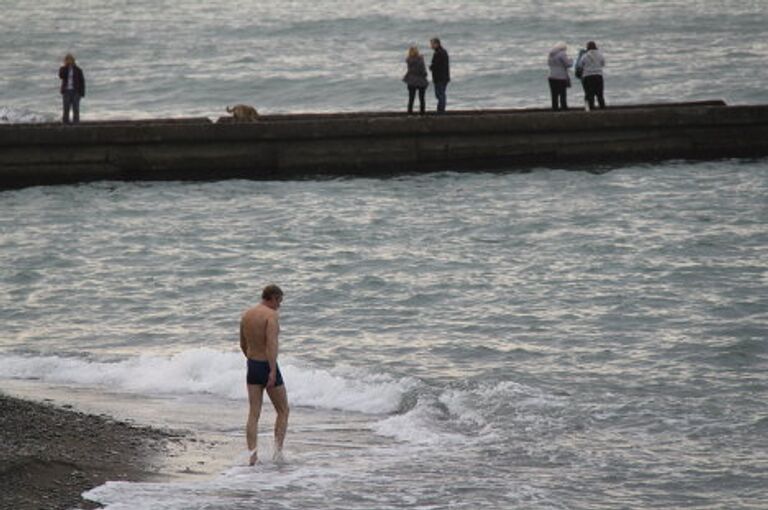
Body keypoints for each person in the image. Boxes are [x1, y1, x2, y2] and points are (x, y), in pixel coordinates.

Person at [240, 284, 289, 465]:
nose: (279, 306)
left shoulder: (247, 315)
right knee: (283, 410)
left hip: (252, 365)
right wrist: (272, 371)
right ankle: (278, 453)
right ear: (273, 298)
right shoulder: (271, 316)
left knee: (254, 413)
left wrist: (253, 361)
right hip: (267, 366)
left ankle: (252, 456)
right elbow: (272, 345)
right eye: (279, 301)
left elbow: (242, 344)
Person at [58, 53, 86, 124]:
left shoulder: (78, 70)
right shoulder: (63, 69)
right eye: (67, 60)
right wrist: (66, 66)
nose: (69, 61)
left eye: (70, 60)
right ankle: (65, 123)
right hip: (66, 91)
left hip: (76, 91)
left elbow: (82, 81)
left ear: (73, 60)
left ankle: (76, 124)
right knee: (66, 108)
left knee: (75, 108)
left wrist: (81, 93)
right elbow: (61, 76)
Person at [580, 41, 606, 110]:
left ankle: (589, 109)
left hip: (587, 76)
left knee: (589, 94)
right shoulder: (600, 54)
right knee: (600, 94)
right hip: (598, 75)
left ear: (587, 47)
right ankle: (602, 108)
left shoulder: (585, 55)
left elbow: (581, 65)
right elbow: (603, 64)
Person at [403, 46, 429, 115]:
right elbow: (423, 71)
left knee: (411, 98)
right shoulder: (420, 60)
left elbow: (410, 70)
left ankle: (409, 113)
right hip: (420, 81)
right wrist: (425, 75)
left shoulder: (409, 60)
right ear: (417, 52)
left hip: (411, 80)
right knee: (422, 98)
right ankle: (422, 113)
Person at [547, 42, 572, 111]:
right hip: (561, 76)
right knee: (562, 93)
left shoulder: (550, 54)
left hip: (551, 76)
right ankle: (564, 108)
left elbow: (548, 63)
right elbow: (568, 64)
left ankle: (555, 108)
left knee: (554, 94)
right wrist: (571, 61)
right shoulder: (562, 54)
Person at [429, 38, 450, 113]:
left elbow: (437, 65)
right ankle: (441, 110)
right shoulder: (441, 52)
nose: (431, 46)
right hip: (441, 77)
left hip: (440, 77)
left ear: (436, 44)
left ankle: (440, 111)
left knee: (440, 94)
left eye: (432, 44)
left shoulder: (439, 53)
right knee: (439, 94)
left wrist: (431, 67)